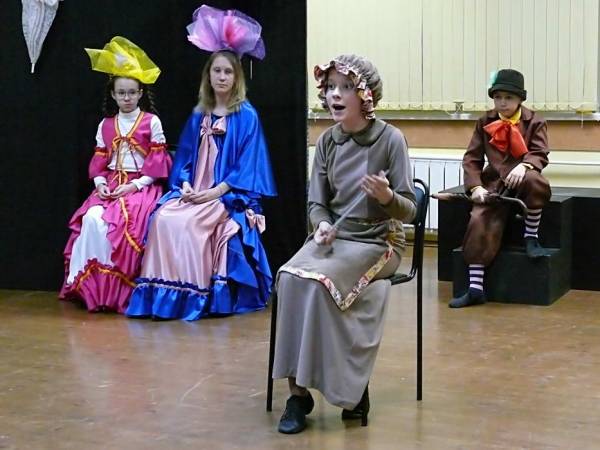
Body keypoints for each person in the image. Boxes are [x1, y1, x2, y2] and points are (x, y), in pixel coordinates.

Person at [272, 55, 416, 434]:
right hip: (336, 240)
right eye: (331, 87)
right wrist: (321, 225)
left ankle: (349, 386)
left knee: (320, 285)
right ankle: (298, 393)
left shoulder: (390, 139)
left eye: (346, 87)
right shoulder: (327, 141)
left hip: (378, 241)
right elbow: (317, 203)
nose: (335, 94)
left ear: (365, 96)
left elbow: (409, 209)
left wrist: (386, 196)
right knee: (289, 277)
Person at [126, 5, 276, 320]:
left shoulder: (246, 116)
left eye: (228, 72)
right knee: (164, 218)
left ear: (236, 77)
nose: (221, 77)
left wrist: (212, 193)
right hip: (194, 191)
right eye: (216, 71)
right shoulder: (199, 113)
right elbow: (183, 159)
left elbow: (247, 169)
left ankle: (194, 298)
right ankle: (161, 298)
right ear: (208, 75)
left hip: (225, 196)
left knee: (191, 226)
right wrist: (184, 186)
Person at [60, 36, 171, 313]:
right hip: (111, 183)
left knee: (124, 223)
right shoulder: (106, 124)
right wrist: (100, 184)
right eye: (121, 93)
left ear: (141, 93)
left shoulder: (151, 122)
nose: (127, 98)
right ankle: (94, 288)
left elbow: (157, 165)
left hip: (142, 186)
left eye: (132, 92)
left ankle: (120, 289)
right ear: (113, 95)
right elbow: (99, 162)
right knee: (92, 218)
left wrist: (134, 186)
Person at [449, 69, 552, 308]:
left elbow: (540, 152)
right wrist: (475, 187)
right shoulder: (484, 121)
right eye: (497, 97)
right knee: (479, 219)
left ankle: (531, 237)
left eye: (508, 97)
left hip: (522, 179)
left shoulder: (535, 121)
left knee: (537, 182)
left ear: (520, 99)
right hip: (495, 183)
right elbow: (472, 158)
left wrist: (525, 165)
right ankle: (476, 289)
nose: (502, 103)